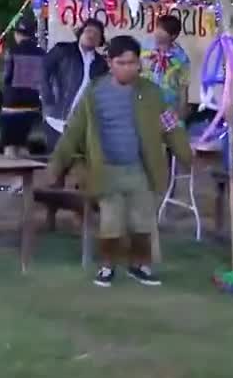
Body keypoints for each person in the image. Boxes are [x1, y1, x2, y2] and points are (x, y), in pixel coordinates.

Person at [47, 35, 192, 287]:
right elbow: (73, 132)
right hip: (106, 170)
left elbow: (171, 127)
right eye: (121, 63)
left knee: (142, 222)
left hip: (140, 170)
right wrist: (56, 166)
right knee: (111, 222)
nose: (128, 68)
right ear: (110, 63)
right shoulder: (93, 93)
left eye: (132, 63)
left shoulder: (152, 93)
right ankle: (107, 267)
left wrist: (187, 156)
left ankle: (140, 266)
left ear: (139, 63)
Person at [41, 19, 107, 150]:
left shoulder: (100, 63)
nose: (91, 35)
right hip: (57, 117)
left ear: (100, 40)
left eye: (96, 34)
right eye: (88, 31)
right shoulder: (63, 50)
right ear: (80, 33)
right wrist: (46, 93)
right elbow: (43, 69)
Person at [0, 16, 44, 158]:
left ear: (17, 34)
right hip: (32, 101)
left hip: (12, 101)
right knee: (23, 142)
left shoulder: (12, 51)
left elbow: (7, 75)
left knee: (10, 146)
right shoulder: (41, 53)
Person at [141, 14, 191, 118]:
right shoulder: (144, 47)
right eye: (157, 27)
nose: (157, 32)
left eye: (162, 30)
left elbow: (183, 85)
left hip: (168, 106)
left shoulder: (181, 58)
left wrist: (182, 109)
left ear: (173, 36)